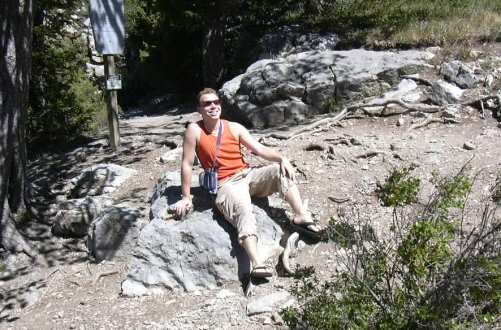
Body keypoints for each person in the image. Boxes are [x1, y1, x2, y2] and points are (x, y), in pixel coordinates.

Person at [174, 88, 321, 278]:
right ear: (199, 109)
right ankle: (257, 263)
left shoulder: (234, 127)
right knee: (244, 210)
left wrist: (281, 158)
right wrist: (186, 197)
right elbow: (186, 164)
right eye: (207, 104)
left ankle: (300, 216)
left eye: (216, 102)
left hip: (248, 175)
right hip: (226, 184)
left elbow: (258, 149)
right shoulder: (194, 130)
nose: (213, 106)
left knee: (280, 171)